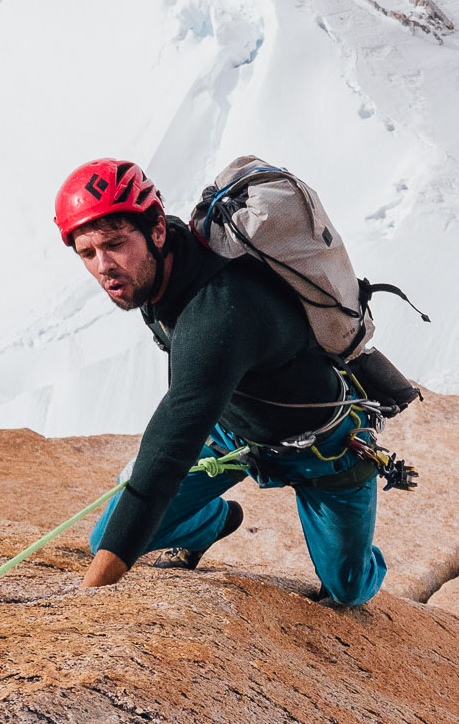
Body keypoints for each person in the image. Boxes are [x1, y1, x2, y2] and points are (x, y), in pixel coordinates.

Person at [56, 158, 387, 607]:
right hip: (233, 431)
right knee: (108, 541)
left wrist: (85, 600)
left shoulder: (218, 312)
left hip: (323, 446)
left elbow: (171, 443)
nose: (103, 266)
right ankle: (211, 522)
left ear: (156, 229)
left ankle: (359, 558)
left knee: (347, 589)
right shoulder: (160, 263)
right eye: (87, 253)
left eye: (115, 244)